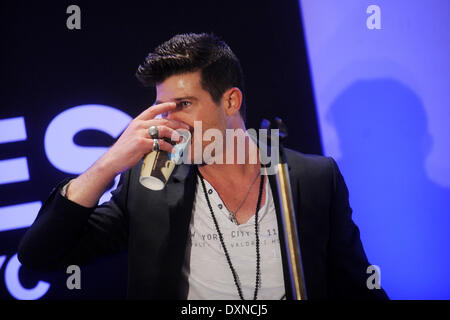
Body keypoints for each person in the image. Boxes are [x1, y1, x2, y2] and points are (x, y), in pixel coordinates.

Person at [18, 33, 388, 300]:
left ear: (230, 101)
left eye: (183, 105)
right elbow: (40, 254)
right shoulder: (149, 186)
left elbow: (355, 286)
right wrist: (109, 164)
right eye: (163, 108)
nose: (169, 121)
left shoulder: (314, 177)